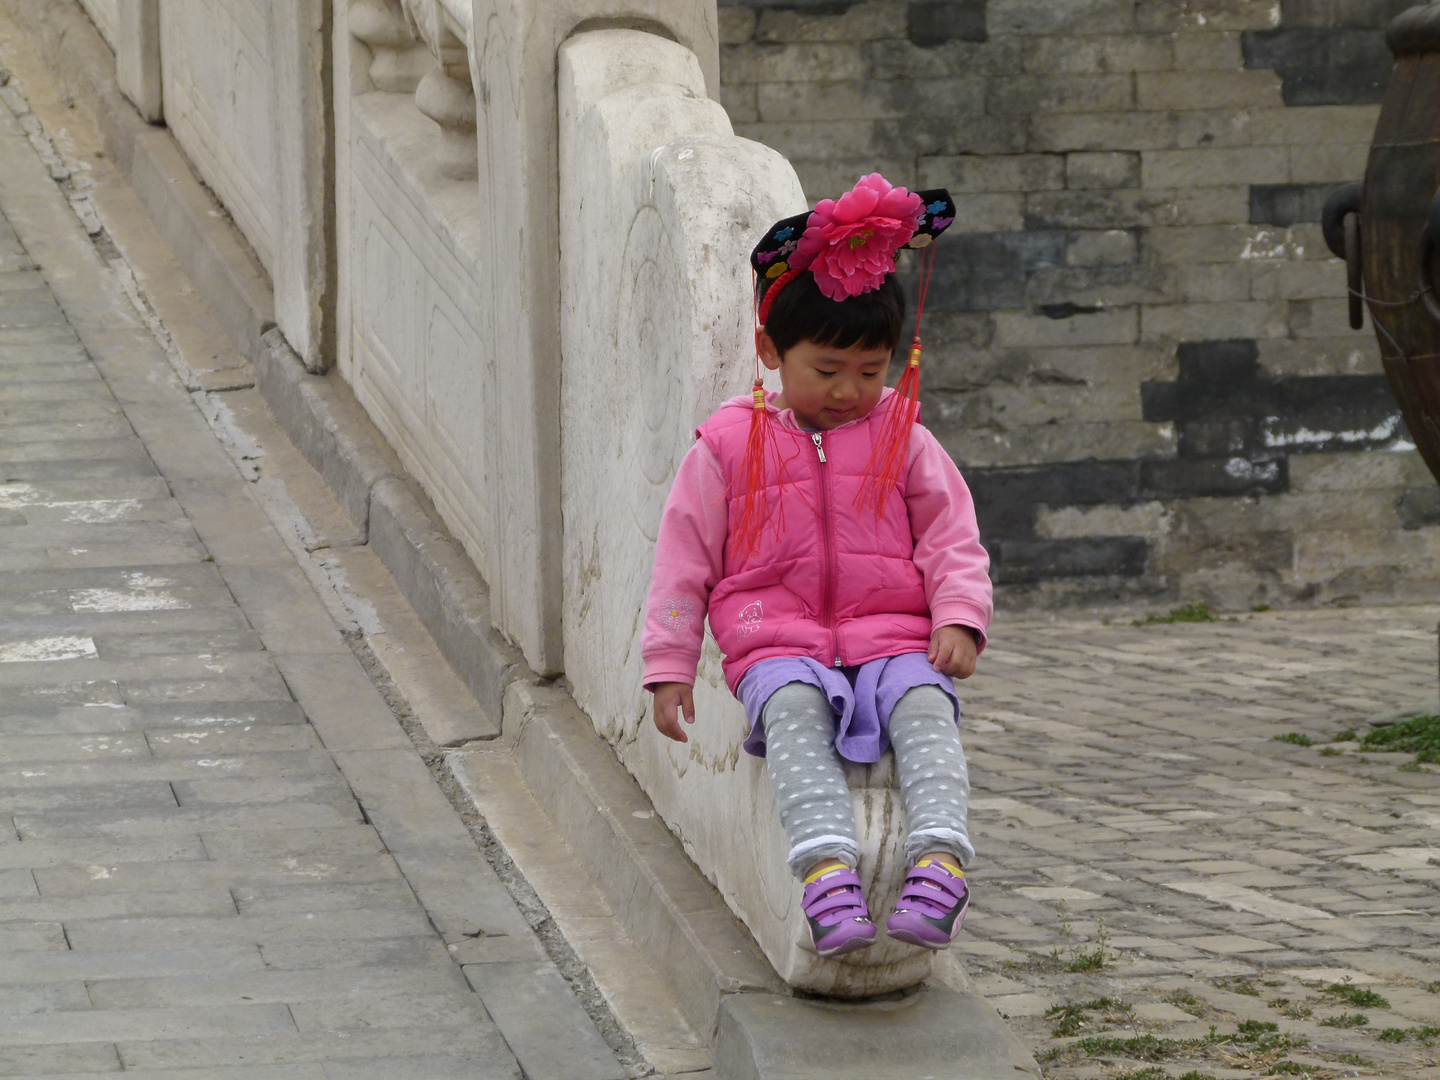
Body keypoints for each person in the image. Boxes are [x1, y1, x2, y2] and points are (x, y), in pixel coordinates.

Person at [640, 174, 992, 958]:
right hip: (775, 640)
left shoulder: (903, 436)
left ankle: (938, 862)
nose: (850, 391)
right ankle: (827, 874)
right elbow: (682, 562)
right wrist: (668, 663)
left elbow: (951, 536)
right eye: (828, 369)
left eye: (871, 371)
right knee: (793, 713)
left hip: (894, 637)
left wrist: (959, 616)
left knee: (926, 713)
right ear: (771, 351)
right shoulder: (727, 448)